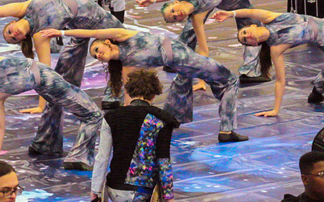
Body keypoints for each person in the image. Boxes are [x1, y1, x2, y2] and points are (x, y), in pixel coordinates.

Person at [43, 26, 246, 140]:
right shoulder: (126, 64)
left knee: (225, 80)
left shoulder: (124, 37)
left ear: (106, 41)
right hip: (179, 62)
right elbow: (129, 96)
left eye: (96, 49)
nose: (98, 55)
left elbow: (90, 33)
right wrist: (123, 123)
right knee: (221, 80)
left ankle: (212, 123)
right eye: (96, 56)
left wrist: (61, 33)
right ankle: (225, 130)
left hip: (181, 56)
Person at [211, 7, 324, 112]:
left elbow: (250, 11)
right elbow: (280, 80)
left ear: (252, 26)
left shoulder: (270, 18)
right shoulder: (276, 47)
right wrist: (275, 109)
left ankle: (318, 91)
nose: (247, 36)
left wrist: (230, 13)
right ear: (254, 43)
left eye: (244, 33)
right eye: (245, 40)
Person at [91, 69, 177, 202]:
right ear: (154, 94)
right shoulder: (162, 120)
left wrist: (95, 193)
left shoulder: (111, 117)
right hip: (142, 195)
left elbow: (101, 158)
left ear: (128, 91)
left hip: (114, 189)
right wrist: (169, 199)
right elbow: (163, 162)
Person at [138, 0, 265, 87]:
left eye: (173, 11)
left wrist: (153, 0)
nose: (177, 14)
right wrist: (201, 81)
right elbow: (204, 50)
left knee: (251, 24)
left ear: (176, 2)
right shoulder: (196, 18)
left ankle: (250, 70)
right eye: (175, 18)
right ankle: (177, 58)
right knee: (191, 28)